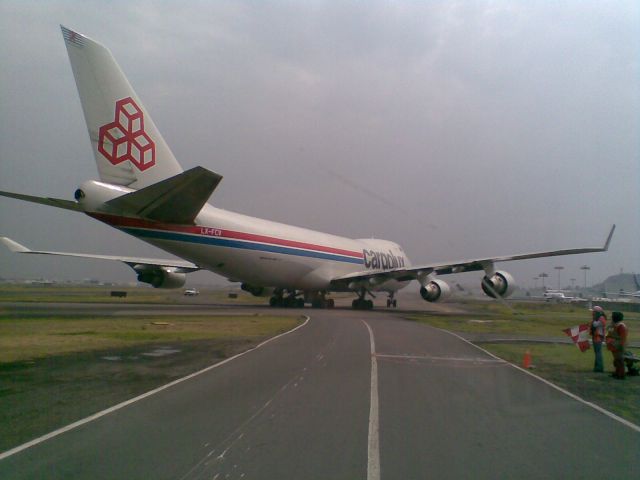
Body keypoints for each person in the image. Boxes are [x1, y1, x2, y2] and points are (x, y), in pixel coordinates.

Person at [606, 311, 628, 379]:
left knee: (620, 360)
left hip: (618, 345)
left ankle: (621, 375)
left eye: (612, 316)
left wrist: (621, 346)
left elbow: (623, 337)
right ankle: (617, 373)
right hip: (613, 345)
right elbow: (609, 333)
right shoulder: (613, 325)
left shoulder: (621, 326)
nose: (611, 317)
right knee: (616, 360)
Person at [589, 306, 606, 372]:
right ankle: (597, 367)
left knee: (598, 352)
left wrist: (593, 321)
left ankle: (599, 367)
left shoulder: (601, 318)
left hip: (598, 336)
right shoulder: (598, 318)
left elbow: (595, 325)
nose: (592, 313)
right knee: (597, 352)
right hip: (596, 336)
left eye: (594, 312)